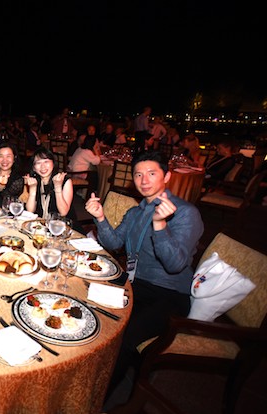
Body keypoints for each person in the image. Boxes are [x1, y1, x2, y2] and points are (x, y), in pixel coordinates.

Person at [84, 150, 204, 400]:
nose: (144, 180)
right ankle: (86, 376)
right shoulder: (135, 212)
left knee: (123, 335)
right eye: (138, 174)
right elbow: (114, 243)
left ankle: (97, 399)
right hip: (135, 285)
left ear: (166, 176)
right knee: (89, 303)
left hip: (169, 294)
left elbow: (175, 264)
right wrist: (101, 218)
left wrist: (160, 225)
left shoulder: (185, 213)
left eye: (151, 173)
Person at [24, 147, 74, 220]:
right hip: (42, 223)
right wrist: (32, 189)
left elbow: (63, 212)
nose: (43, 166)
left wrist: (58, 186)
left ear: (53, 163)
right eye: (38, 163)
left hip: (63, 224)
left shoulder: (64, 181)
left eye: (46, 162)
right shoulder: (36, 181)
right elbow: (30, 211)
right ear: (34, 168)